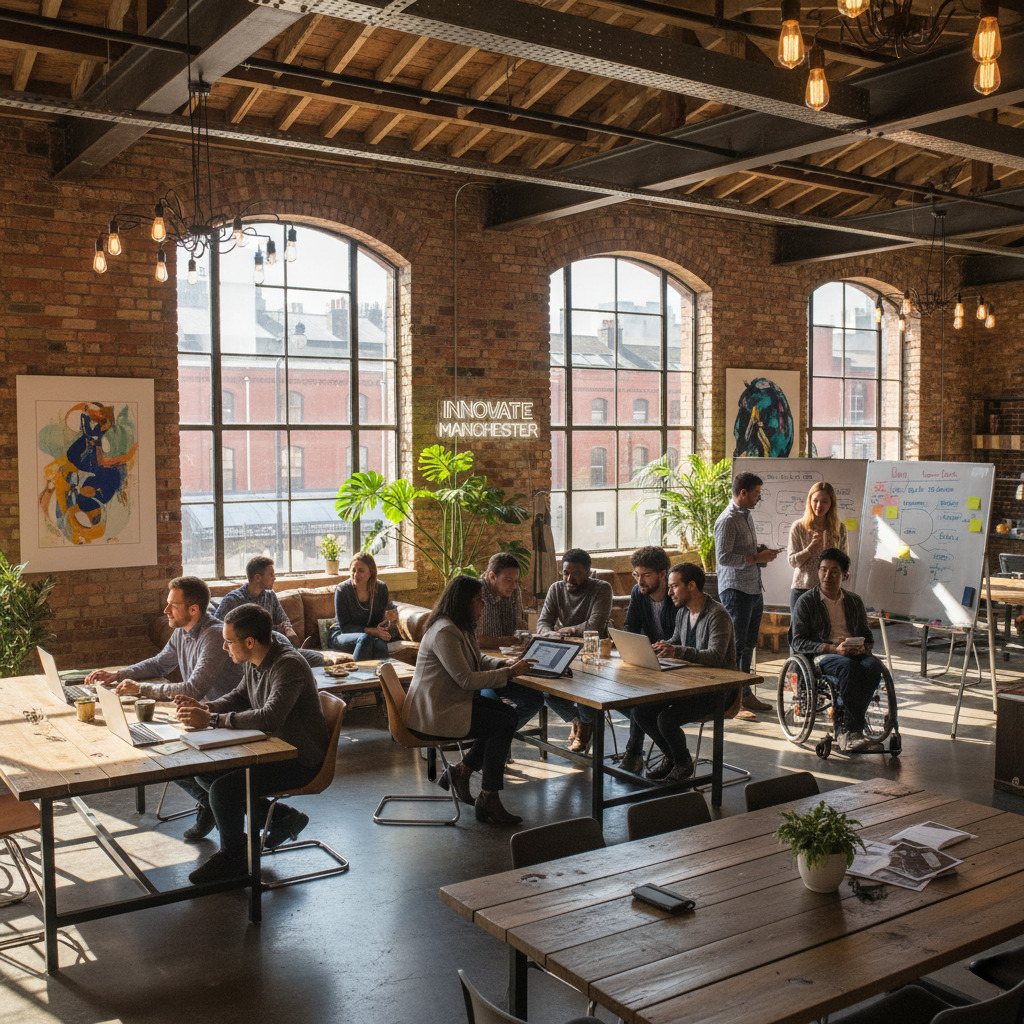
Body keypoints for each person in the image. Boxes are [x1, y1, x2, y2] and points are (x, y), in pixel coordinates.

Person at [177, 603, 330, 884]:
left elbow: (270, 717)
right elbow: (237, 697)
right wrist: (204, 708)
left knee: (224, 792)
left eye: (228, 641)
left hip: (299, 759)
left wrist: (212, 721)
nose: (224, 647)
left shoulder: (289, 665)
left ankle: (235, 857)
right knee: (205, 773)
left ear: (249, 642)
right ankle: (280, 818)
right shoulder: (255, 661)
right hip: (269, 750)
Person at [404, 576, 534, 825]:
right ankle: (488, 796)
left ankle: (462, 772)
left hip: (450, 704)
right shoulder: (445, 632)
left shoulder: (460, 626)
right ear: (463, 602)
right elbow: (465, 679)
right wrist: (508, 674)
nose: (482, 604)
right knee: (501, 723)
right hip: (434, 713)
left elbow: (477, 660)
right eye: (478, 600)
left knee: (509, 716)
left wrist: (504, 663)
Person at [627, 562, 739, 782]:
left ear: (692, 586)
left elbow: (715, 656)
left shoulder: (717, 615)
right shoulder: (683, 613)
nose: (669, 593)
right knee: (641, 712)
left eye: (674, 587)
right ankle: (672, 757)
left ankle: (683, 763)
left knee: (666, 719)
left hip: (717, 692)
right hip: (688, 687)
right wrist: (660, 646)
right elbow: (677, 642)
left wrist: (676, 650)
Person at [478, 551, 589, 751]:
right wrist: (503, 641)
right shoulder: (475, 594)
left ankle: (494, 742)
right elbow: (472, 639)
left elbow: (518, 625)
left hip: (508, 663)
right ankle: (491, 746)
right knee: (493, 708)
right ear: (492, 576)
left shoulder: (513, 591)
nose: (513, 586)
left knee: (536, 697)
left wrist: (527, 641)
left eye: (516, 581)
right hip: (481, 670)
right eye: (508, 580)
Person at [791, 548, 884, 753]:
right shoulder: (806, 601)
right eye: (823, 570)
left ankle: (850, 722)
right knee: (848, 667)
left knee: (873, 666)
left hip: (852, 653)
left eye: (834, 571)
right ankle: (849, 730)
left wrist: (862, 648)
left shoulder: (854, 601)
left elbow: (868, 637)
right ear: (818, 572)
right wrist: (832, 648)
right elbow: (798, 641)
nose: (827, 576)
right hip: (822, 655)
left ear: (845, 575)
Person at [713, 471, 778, 719]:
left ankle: (746, 694)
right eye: (756, 494)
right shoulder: (727, 520)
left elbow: (743, 552)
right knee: (736, 647)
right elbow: (724, 558)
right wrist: (755, 558)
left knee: (749, 644)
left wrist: (760, 553)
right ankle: (733, 702)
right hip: (735, 591)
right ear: (743, 493)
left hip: (753, 588)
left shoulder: (747, 516)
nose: (758, 499)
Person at [535, 547, 613, 752]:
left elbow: (595, 625)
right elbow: (543, 622)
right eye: (566, 573)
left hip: (593, 654)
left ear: (588, 571)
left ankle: (586, 725)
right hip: (564, 651)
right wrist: (548, 633)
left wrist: (568, 630)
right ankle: (579, 721)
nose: (569, 578)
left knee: (585, 690)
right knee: (545, 688)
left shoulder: (602, 588)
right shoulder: (556, 588)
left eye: (576, 573)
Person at [617, 545, 681, 774]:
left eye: (646, 575)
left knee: (639, 703)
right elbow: (630, 626)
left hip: (674, 666)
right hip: (650, 662)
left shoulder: (676, 596)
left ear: (663, 573)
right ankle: (665, 754)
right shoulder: (638, 592)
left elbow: (680, 639)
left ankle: (636, 753)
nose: (640, 580)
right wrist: (629, 645)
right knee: (627, 696)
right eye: (637, 574)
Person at [216, 555, 326, 667]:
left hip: (276, 649)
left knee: (319, 659)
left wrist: (288, 630)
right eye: (271, 575)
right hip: (248, 656)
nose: (275, 578)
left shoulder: (270, 595)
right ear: (258, 578)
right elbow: (215, 631)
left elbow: (283, 620)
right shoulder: (232, 600)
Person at [787, 482, 849, 618]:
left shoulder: (839, 528)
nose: (819, 506)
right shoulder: (799, 527)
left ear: (831, 503)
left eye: (824, 501)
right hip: (803, 589)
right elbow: (792, 562)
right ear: (810, 501)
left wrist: (843, 569)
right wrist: (810, 549)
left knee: (826, 636)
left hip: (829, 591)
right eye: (815, 501)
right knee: (799, 637)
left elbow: (844, 561)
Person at [329, 552, 396, 662]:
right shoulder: (343, 590)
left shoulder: (381, 588)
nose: (356, 574)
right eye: (353, 570)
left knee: (379, 644)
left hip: (371, 636)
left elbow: (387, 613)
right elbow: (345, 627)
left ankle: (384, 678)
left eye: (361, 570)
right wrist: (373, 631)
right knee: (365, 638)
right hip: (342, 635)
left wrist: (387, 624)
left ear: (371, 572)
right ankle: (358, 677)